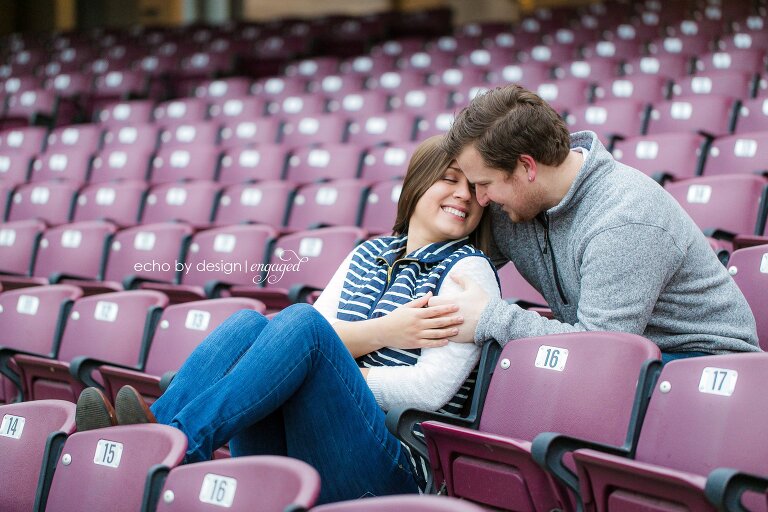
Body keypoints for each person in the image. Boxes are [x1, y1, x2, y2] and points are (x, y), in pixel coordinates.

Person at [75, 134, 501, 504]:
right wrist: (384, 333)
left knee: (299, 325)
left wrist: (335, 373)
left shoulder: (468, 270)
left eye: (472, 188)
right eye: (449, 179)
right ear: (417, 184)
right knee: (248, 324)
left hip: (391, 465)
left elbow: (427, 392)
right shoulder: (368, 253)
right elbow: (306, 345)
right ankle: (154, 437)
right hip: (310, 437)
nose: (463, 194)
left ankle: (175, 447)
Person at [429, 84, 759, 363]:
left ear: (527, 167)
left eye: (484, 183)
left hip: (702, 365)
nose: (480, 199)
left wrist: (490, 318)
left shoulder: (625, 218)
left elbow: (599, 350)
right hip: (627, 357)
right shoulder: (513, 205)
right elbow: (442, 266)